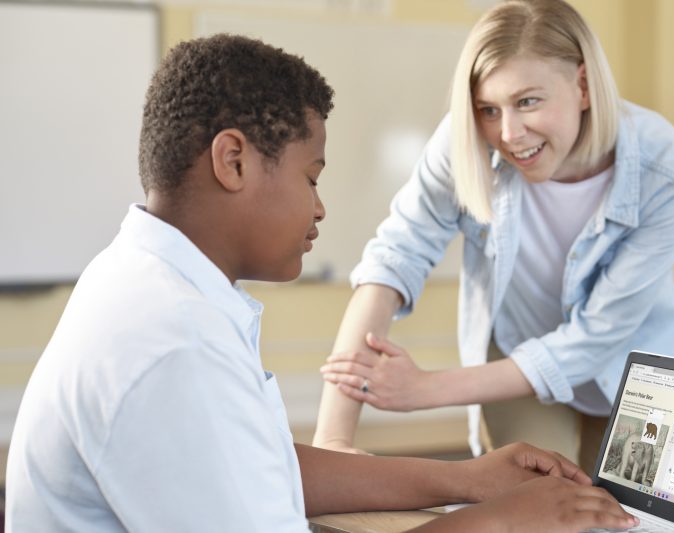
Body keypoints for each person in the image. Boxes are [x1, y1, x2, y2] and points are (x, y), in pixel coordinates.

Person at [4, 34, 637, 532]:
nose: (320, 207)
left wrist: (467, 480)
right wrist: (497, 523)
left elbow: (261, 466)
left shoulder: (153, 284)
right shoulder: (174, 345)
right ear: (234, 161)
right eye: (312, 177)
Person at [313, 0, 674, 472]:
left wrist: (426, 389)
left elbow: (599, 335)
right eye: (488, 109)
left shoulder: (667, 169)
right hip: (516, 353)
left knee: (634, 517)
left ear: (582, 85)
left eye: (528, 101)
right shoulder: (463, 145)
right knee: (533, 505)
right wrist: (331, 441)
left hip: (635, 363)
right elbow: (393, 260)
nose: (509, 133)